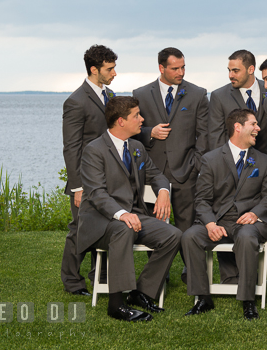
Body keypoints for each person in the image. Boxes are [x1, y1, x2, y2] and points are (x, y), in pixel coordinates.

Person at [77, 96, 182, 322]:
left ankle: (141, 292)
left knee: (173, 235)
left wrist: (163, 191)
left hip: (134, 217)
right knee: (123, 229)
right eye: (137, 115)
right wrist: (123, 214)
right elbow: (96, 193)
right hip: (101, 223)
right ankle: (116, 304)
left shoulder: (136, 147)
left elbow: (156, 175)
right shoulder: (93, 150)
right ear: (121, 121)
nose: (142, 119)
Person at [181, 109, 267, 320]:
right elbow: (202, 200)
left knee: (246, 237)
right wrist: (209, 224)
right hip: (218, 221)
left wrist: (255, 214)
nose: (258, 129)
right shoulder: (211, 159)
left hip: (248, 223)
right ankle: (202, 297)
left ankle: (248, 301)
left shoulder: (262, 160)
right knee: (189, 236)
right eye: (253, 124)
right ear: (238, 127)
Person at [132, 47, 209, 281]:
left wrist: (195, 166)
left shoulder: (197, 94)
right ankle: (159, 271)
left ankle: (191, 270)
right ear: (161, 68)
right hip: (151, 173)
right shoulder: (141, 94)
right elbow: (132, 131)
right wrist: (150, 133)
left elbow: (205, 136)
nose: (181, 72)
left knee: (188, 224)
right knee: (154, 224)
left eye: (183, 67)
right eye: (175, 68)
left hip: (186, 171)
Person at [61, 44, 117, 296]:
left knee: (103, 228)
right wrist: (77, 186)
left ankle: (99, 278)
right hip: (85, 181)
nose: (114, 73)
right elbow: (71, 148)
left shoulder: (111, 95)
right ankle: (72, 282)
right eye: (109, 68)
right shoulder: (75, 101)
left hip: (108, 178)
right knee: (79, 230)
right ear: (94, 69)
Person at [209, 50, 267, 155]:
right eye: (229, 70)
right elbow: (216, 138)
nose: (230, 75)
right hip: (234, 165)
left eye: (235, 71)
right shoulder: (219, 96)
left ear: (250, 69)